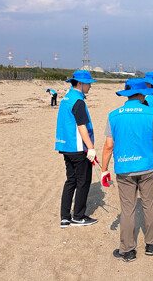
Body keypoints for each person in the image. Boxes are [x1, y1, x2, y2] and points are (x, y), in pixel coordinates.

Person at [100, 78, 153, 262]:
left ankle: (127, 250)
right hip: (148, 167)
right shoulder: (152, 113)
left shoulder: (114, 115)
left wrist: (104, 170)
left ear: (127, 94)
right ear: (143, 94)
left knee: (127, 209)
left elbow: (108, 146)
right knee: (149, 205)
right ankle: (152, 243)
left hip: (124, 168)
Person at [54, 70, 98, 228]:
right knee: (83, 181)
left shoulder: (67, 97)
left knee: (70, 180)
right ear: (80, 83)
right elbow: (81, 127)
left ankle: (65, 217)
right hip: (78, 148)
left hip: (66, 146)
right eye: (88, 83)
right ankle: (78, 216)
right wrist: (91, 148)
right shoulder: (78, 101)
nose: (90, 86)